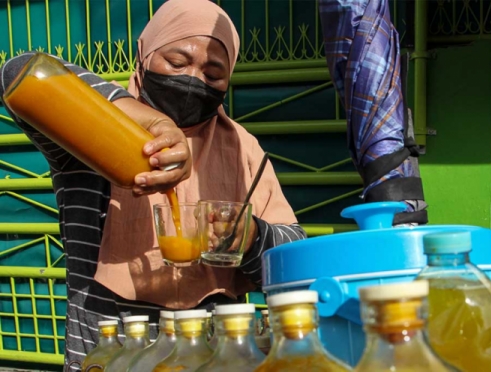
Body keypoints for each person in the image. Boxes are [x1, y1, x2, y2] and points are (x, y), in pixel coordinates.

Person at [0, 0, 307, 369]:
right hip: (108, 353)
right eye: (177, 63)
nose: (193, 80)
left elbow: (295, 256)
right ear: (143, 53)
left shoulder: (242, 148)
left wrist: (252, 237)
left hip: (214, 357)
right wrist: (150, 123)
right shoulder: (91, 125)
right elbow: (18, 72)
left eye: (213, 74)